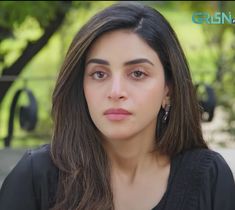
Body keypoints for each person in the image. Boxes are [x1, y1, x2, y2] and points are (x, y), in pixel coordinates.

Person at [0, 2, 234, 210]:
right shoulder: (37, 177)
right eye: (99, 74)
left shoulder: (209, 178)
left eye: (138, 73)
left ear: (168, 89)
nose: (115, 92)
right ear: (81, 86)